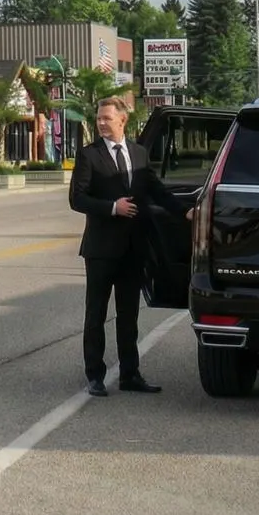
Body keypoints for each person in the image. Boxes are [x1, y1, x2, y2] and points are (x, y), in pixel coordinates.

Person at [68, 96, 185, 397]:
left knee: (128, 314)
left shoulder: (139, 153)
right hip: (100, 250)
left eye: (107, 118)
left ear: (123, 120)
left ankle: (130, 374)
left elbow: (155, 191)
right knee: (95, 314)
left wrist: (185, 212)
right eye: (99, 118)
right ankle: (95, 375)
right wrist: (111, 207)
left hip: (133, 248)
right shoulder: (88, 155)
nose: (101, 123)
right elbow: (77, 198)